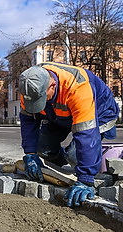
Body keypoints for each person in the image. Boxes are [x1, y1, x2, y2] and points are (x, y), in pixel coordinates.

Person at [19, 62, 119, 207]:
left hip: (99, 111)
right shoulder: (30, 86)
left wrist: (85, 178)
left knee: (75, 155)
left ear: (52, 85)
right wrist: (30, 154)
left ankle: (87, 166)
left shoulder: (78, 87)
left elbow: (86, 134)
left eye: (41, 98)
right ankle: (62, 165)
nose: (37, 103)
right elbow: (28, 122)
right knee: (43, 150)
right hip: (58, 113)